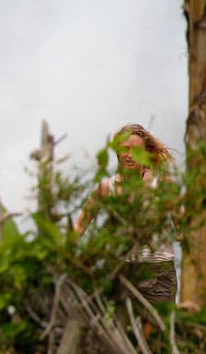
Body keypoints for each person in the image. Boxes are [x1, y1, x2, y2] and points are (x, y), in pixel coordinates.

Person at [74, 123, 178, 304]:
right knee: (115, 328)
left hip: (159, 271)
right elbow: (80, 226)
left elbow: (183, 225)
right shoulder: (107, 188)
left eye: (136, 150)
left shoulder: (162, 185)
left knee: (155, 330)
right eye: (125, 149)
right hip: (121, 271)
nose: (130, 155)